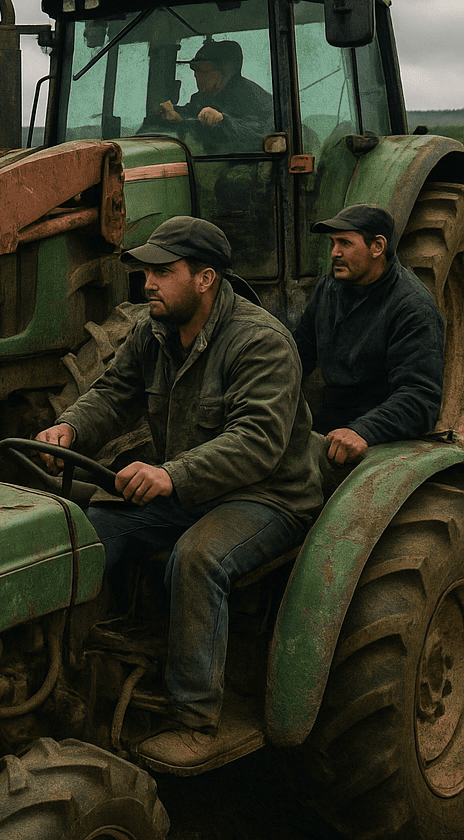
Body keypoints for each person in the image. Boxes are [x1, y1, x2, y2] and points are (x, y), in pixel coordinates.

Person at [36, 216, 321, 773]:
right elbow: (115, 393)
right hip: (193, 485)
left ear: (206, 278)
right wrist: (70, 427)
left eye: (163, 273)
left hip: (269, 495)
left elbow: (256, 443)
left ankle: (195, 718)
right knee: (90, 529)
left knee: (197, 557)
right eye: (146, 273)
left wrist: (171, 474)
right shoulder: (155, 330)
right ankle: (67, 669)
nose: (148, 285)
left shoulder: (262, 343)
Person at [292, 203, 445, 484]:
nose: (335, 252)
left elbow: (419, 397)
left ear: (377, 247)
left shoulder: (412, 307)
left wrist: (362, 431)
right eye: (333, 243)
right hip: (333, 417)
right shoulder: (329, 289)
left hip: (384, 429)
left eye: (345, 243)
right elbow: (298, 354)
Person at [152, 39, 273, 154]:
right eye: (194, 70)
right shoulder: (201, 98)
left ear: (226, 72)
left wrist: (222, 120)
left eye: (202, 71)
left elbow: (263, 132)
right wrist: (175, 114)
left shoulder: (251, 97)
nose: (196, 76)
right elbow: (193, 114)